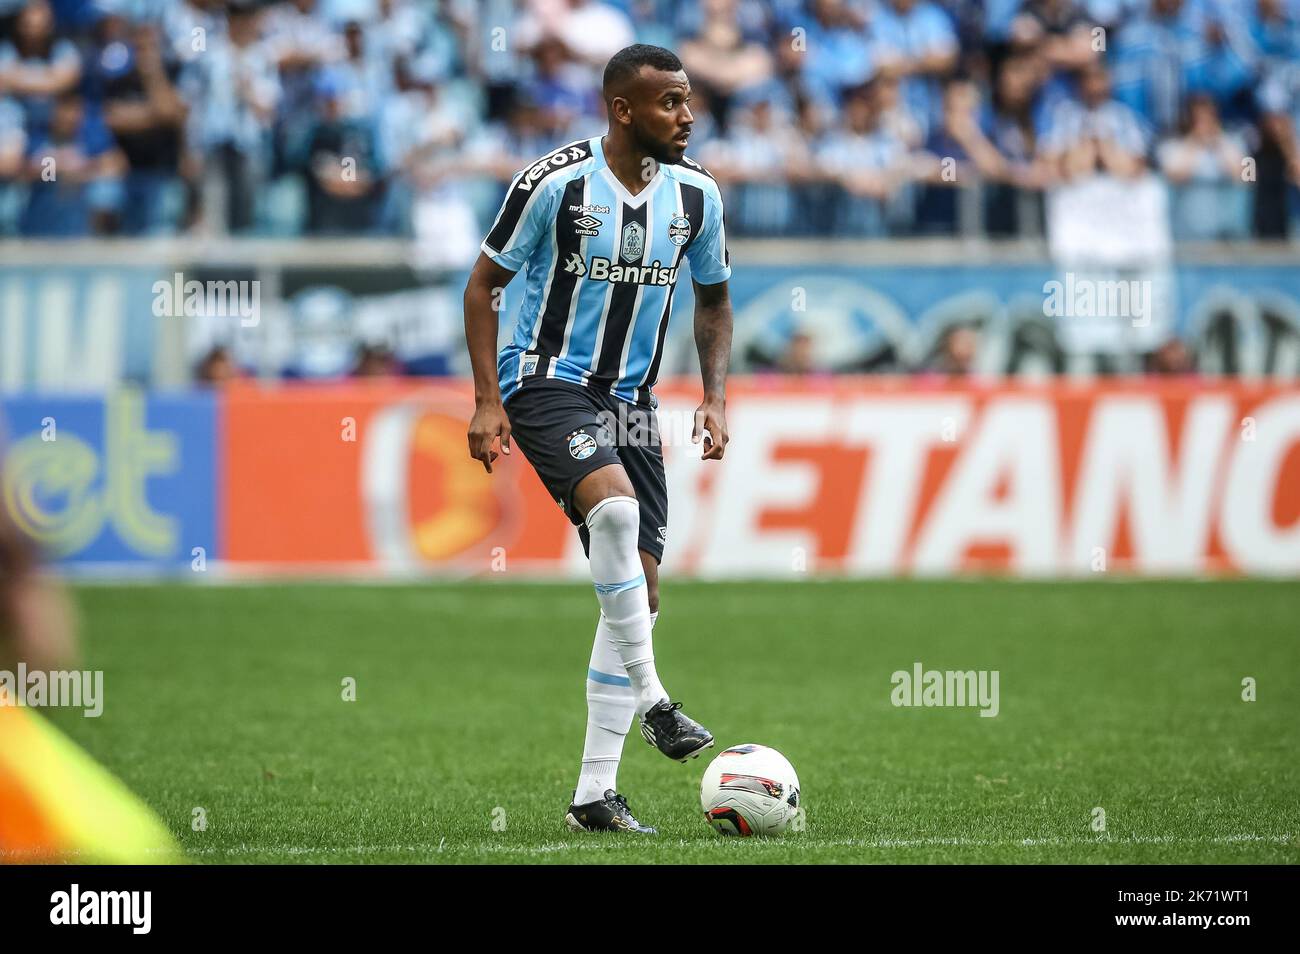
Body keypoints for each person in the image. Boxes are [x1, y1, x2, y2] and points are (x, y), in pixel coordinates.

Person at [463, 44, 732, 835]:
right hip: (545, 379)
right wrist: (486, 400)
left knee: (640, 597)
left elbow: (713, 301)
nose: (686, 116)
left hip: (633, 402)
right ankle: (655, 701)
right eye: (670, 103)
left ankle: (593, 797)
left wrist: (716, 396)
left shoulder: (698, 196)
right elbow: (483, 286)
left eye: (687, 102)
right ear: (623, 110)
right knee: (612, 515)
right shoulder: (555, 182)